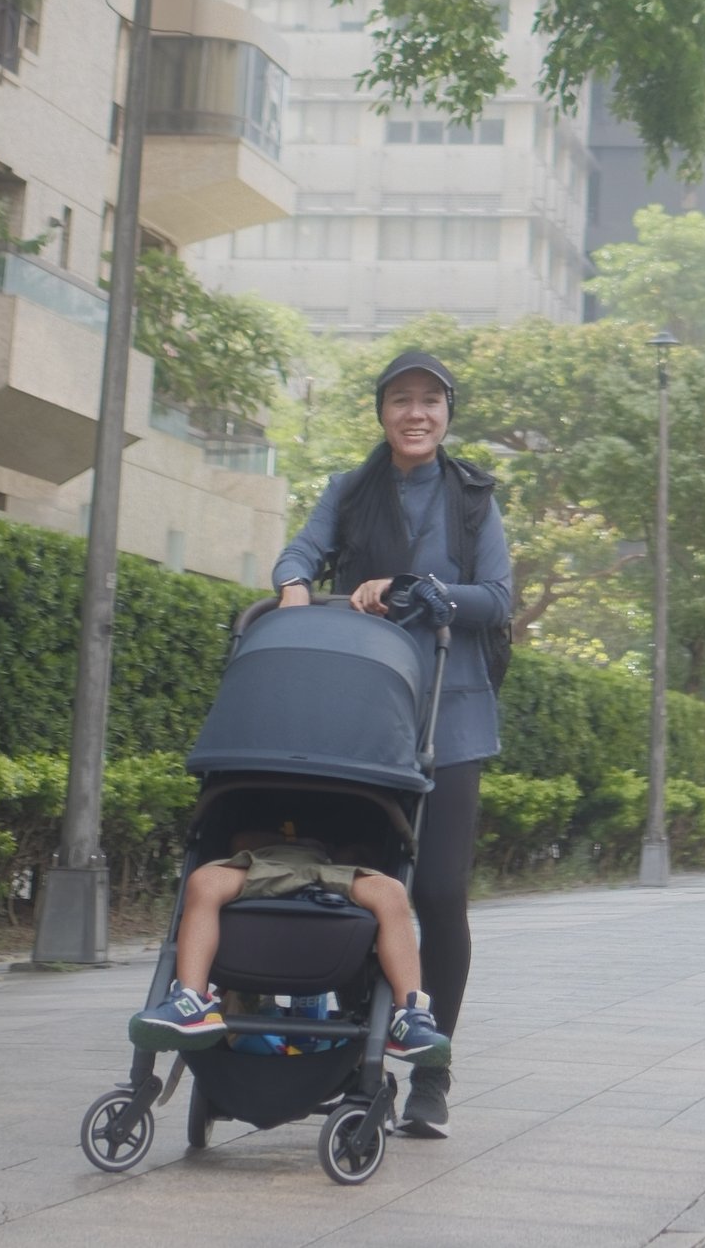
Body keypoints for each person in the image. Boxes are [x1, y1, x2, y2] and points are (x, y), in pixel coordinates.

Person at [271, 348, 512, 1139]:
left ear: (448, 415)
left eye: (430, 402)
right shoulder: (349, 489)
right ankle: (352, 1057)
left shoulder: (472, 499)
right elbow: (299, 550)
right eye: (401, 400)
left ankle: (432, 1070)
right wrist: (297, 589)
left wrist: (423, 592)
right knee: (355, 883)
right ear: (383, 412)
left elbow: (496, 599)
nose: (416, 414)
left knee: (438, 893)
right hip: (364, 713)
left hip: (455, 713)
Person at [132, 824, 446, 1057]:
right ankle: (191, 998)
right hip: (261, 862)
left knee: (392, 892)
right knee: (202, 881)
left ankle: (410, 1011)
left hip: (333, 864)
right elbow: (240, 839)